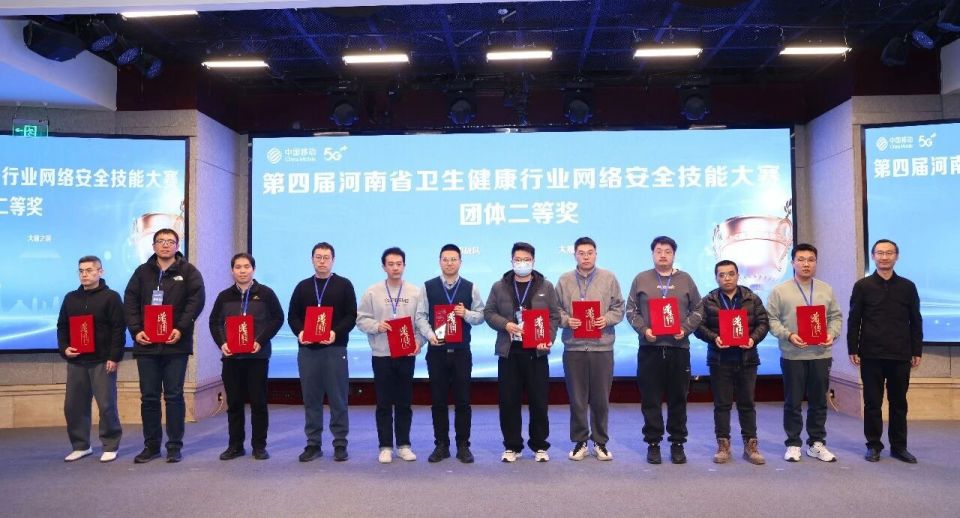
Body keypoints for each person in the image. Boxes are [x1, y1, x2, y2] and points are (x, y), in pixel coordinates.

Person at [124, 228, 205, 464]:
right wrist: (136, 330)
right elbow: (129, 302)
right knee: (149, 397)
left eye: (170, 241)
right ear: (153, 246)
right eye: (160, 241)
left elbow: (196, 302)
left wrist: (180, 328)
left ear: (177, 246)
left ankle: (174, 446)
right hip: (147, 344)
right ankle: (151, 446)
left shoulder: (188, 272)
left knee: (174, 395)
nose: (165, 245)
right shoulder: (142, 272)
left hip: (175, 344)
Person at [625, 236, 702, 465]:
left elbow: (698, 309)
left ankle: (678, 443)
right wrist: (644, 330)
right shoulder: (641, 279)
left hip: (679, 348)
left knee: (679, 398)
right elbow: (630, 310)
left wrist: (685, 329)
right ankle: (653, 444)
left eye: (668, 251)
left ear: (674, 255)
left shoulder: (685, 279)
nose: (663, 255)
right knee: (650, 399)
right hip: (650, 349)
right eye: (658, 251)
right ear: (652, 254)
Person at [484, 242, 560, 463]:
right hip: (509, 352)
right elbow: (489, 312)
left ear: (533, 261)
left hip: (536, 352)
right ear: (511, 261)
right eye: (518, 260)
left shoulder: (546, 286)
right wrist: (505, 324)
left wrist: (548, 339)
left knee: (539, 401)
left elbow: (554, 316)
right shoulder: (499, 286)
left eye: (526, 260)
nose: (522, 263)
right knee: (509, 401)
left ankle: (539, 445)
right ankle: (512, 446)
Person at [848, 239, 923, 464]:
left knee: (899, 403)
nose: (884, 257)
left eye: (889, 253)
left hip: (900, 354)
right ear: (873, 256)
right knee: (872, 403)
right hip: (871, 354)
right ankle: (873, 445)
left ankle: (899, 447)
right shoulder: (862, 286)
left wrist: (916, 350)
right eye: (880, 253)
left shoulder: (908, 287)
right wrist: (853, 348)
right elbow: (854, 319)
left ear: (896, 257)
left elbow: (915, 320)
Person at [766, 243, 842, 463]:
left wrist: (832, 334)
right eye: (801, 259)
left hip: (820, 354)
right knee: (793, 402)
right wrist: (788, 335)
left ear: (816, 263)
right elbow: (771, 320)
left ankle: (816, 443)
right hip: (793, 355)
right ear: (792, 262)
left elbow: (835, 317)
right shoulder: (780, 291)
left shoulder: (826, 289)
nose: (806, 264)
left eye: (810, 260)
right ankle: (793, 443)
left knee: (819, 401)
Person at [208, 253, 284, 461]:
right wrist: (222, 343)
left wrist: (261, 340)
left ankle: (259, 446)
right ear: (232, 271)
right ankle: (235, 446)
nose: (242, 271)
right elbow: (214, 322)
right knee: (234, 403)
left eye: (246, 266)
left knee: (259, 402)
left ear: (253, 269)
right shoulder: (224, 296)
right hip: (232, 358)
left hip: (257, 357)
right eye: (238, 267)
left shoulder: (266, 294)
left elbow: (278, 318)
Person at [414, 244, 485, 463]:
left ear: (460, 262)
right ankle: (441, 445)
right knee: (438, 401)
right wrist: (429, 335)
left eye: (454, 259)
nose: (449, 263)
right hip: (437, 352)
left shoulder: (471, 287)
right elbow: (420, 316)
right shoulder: (428, 287)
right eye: (445, 259)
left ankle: (463, 445)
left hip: (462, 352)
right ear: (439, 262)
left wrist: (466, 314)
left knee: (463, 400)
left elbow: (481, 316)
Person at [555, 237, 624, 461]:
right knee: (577, 399)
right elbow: (555, 310)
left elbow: (619, 307)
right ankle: (580, 442)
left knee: (601, 399)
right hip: (574, 348)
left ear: (596, 254)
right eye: (581, 253)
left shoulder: (609, 277)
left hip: (601, 347)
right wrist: (567, 320)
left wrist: (607, 319)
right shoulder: (564, 280)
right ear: (574, 255)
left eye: (590, 252)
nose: (586, 257)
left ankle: (600, 442)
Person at [694, 260, 769, 465]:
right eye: (722, 275)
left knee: (747, 404)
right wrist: (714, 338)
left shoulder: (751, 298)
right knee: (722, 404)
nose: (726, 278)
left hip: (747, 359)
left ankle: (751, 446)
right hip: (720, 360)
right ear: (716, 278)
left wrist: (752, 339)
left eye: (730, 274)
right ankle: (723, 445)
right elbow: (698, 326)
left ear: (737, 275)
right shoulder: (708, 300)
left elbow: (763, 323)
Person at [288, 242, 357, 462]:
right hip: (308, 351)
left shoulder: (344, 285)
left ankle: (340, 444)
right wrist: (300, 332)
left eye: (326, 257)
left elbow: (351, 315)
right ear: (312, 260)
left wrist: (335, 332)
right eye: (318, 257)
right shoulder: (302, 287)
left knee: (338, 398)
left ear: (333, 260)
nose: (322, 261)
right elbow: (292, 316)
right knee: (311, 399)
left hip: (335, 349)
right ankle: (313, 444)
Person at [356, 247, 422, 463]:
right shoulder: (372, 292)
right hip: (381, 354)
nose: (395, 268)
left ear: (404, 265)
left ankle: (404, 445)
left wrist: (419, 343)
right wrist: (377, 325)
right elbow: (361, 319)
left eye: (399, 264)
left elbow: (421, 322)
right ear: (383, 266)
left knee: (404, 402)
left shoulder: (415, 292)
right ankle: (385, 446)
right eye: (391, 264)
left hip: (406, 353)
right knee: (383, 403)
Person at [56, 255, 125, 463]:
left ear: (100, 272)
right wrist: (65, 348)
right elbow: (62, 326)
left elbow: (118, 329)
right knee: (73, 406)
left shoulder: (111, 297)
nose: (84, 274)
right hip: (77, 362)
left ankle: (110, 445)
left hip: (102, 361)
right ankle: (81, 446)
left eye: (89, 270)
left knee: (106, 405)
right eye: (81, 271)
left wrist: (114, 356)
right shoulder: (71, 298)